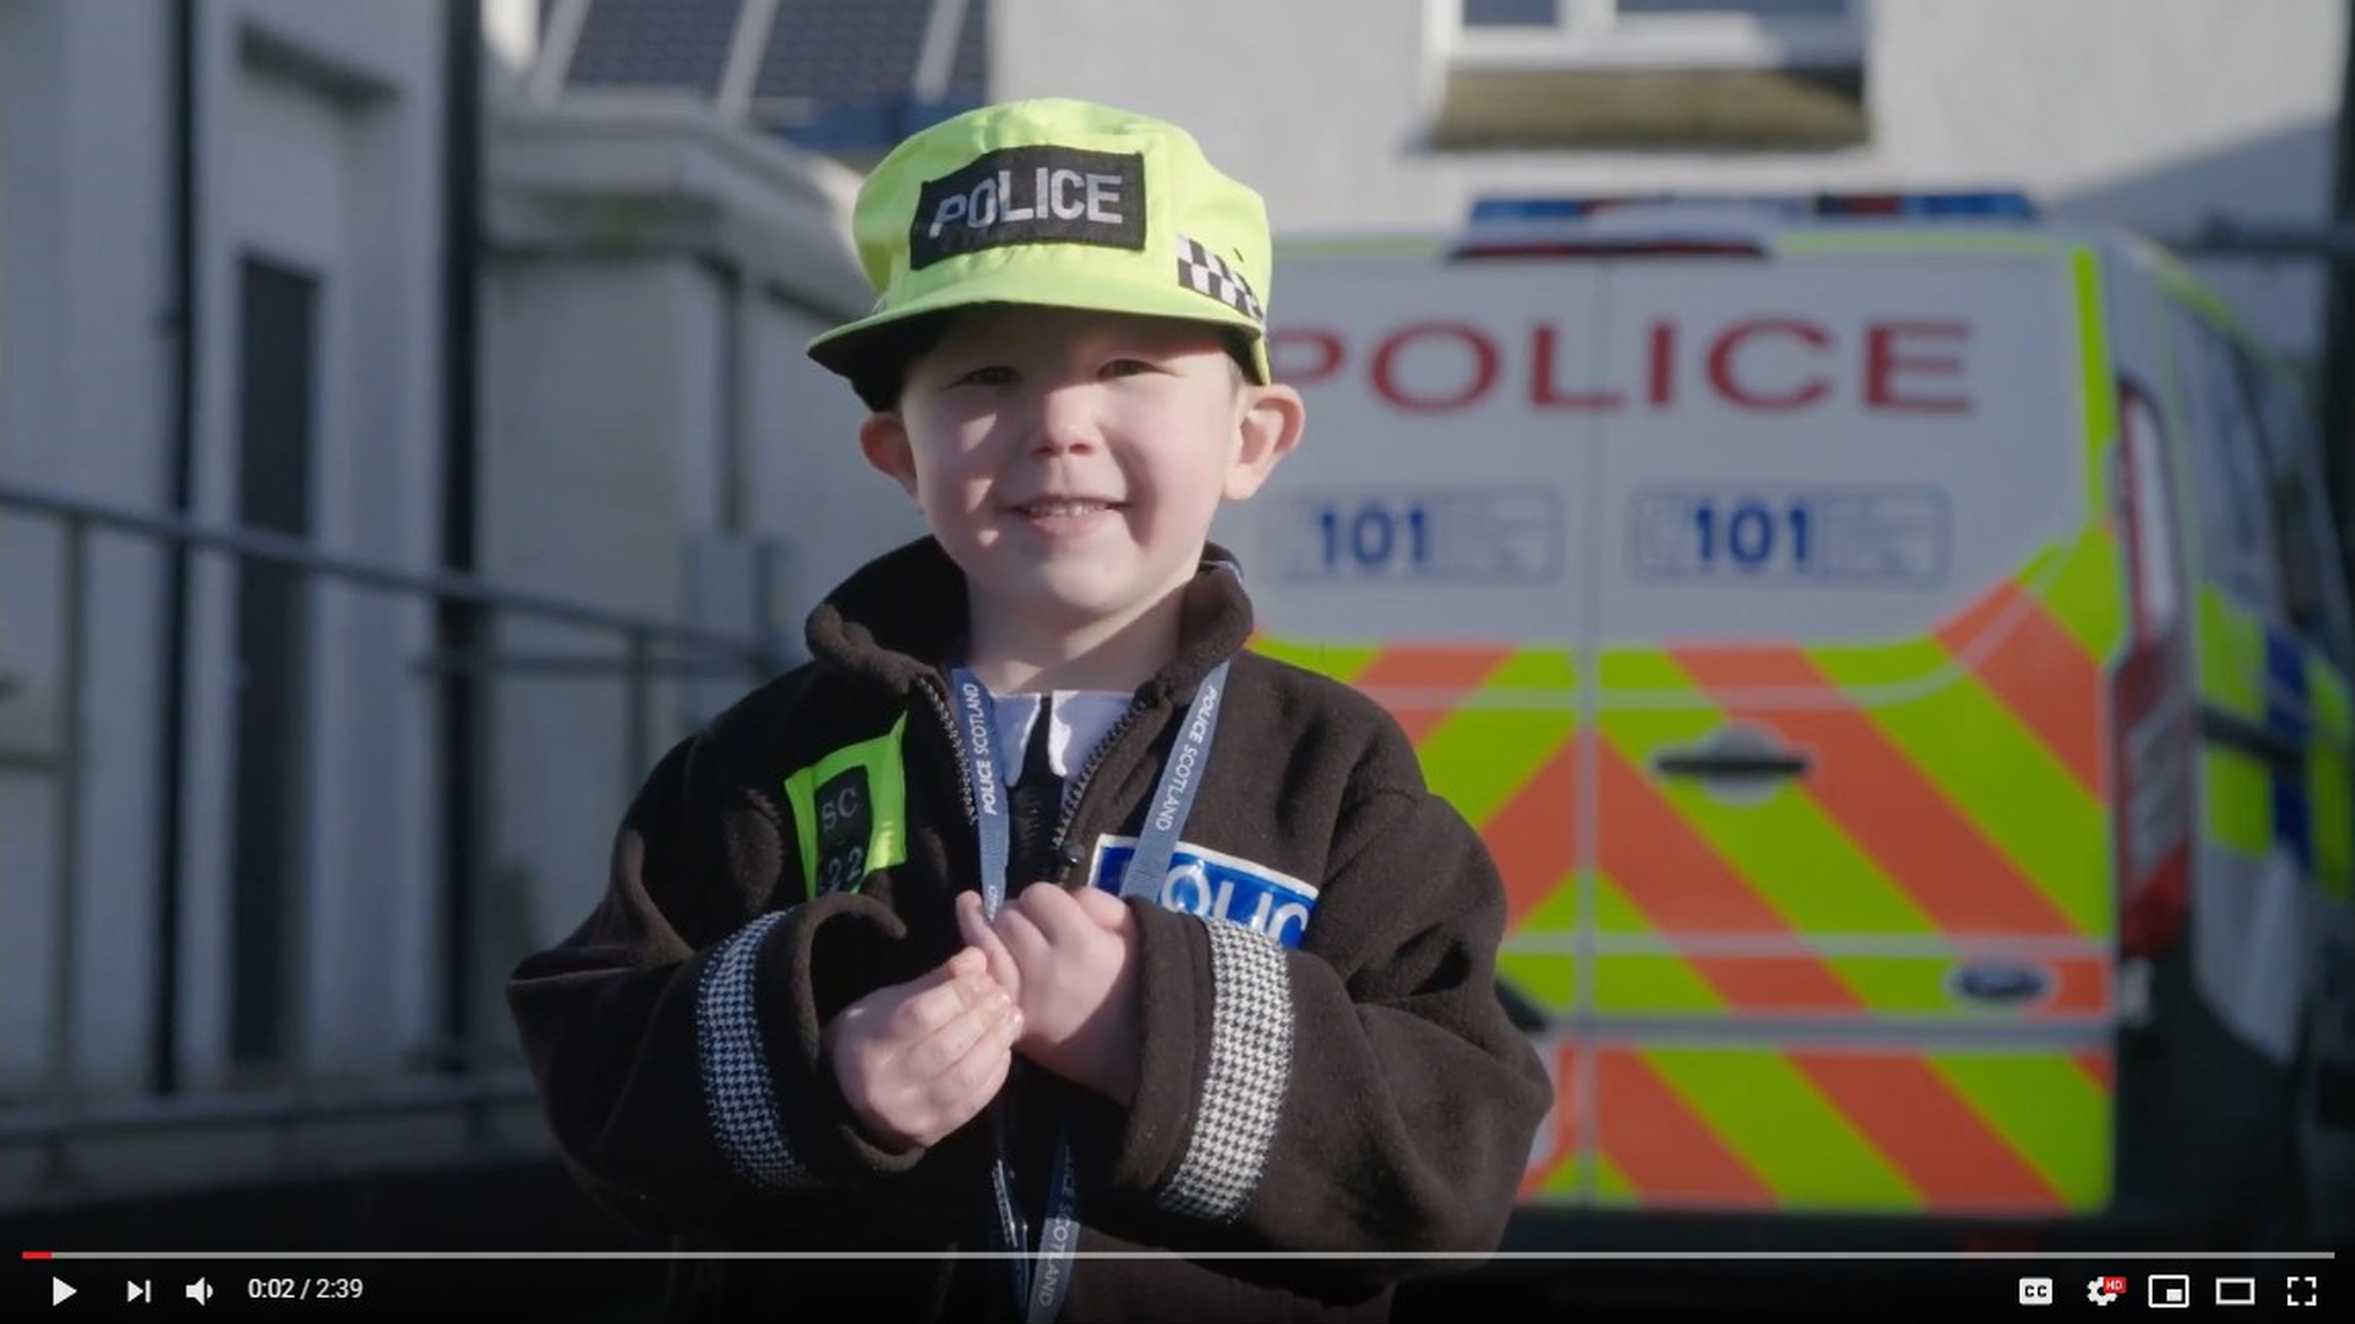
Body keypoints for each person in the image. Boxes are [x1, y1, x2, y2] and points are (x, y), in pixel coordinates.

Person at [507, 98, 1551, 1323]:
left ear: (1251, 437)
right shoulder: (762, 762)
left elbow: (1459, 1158)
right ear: (901, 453)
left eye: (1128, 369)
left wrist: (1157, 1031)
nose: (1060, 426)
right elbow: (595, 1069)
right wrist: (825, 1070)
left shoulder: (1331, 773)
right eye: (988, 376)